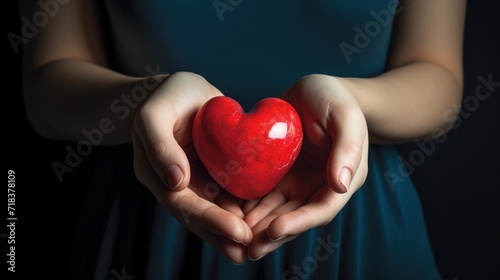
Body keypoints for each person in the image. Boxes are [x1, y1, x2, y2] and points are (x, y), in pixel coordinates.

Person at [19, 0, 466, 279]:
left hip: (349, 207)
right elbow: (48, 81)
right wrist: (144, 100)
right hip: (155, 206)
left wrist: (351, 100)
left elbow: (439, 75)